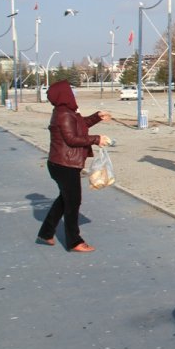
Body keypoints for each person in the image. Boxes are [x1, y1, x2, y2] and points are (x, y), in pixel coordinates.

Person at [37, 80, 111, 252]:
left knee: (64, 199)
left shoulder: (67, 112)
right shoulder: (64, 114)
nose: (73, 93)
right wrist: (96, 138)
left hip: (62, 163)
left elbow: (80, 125)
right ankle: (74, 241)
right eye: (71, 91)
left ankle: (46, 232)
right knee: (73, 202)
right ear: (64, 94)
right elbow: (71, 139)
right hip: (64, 164)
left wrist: (97, 117)